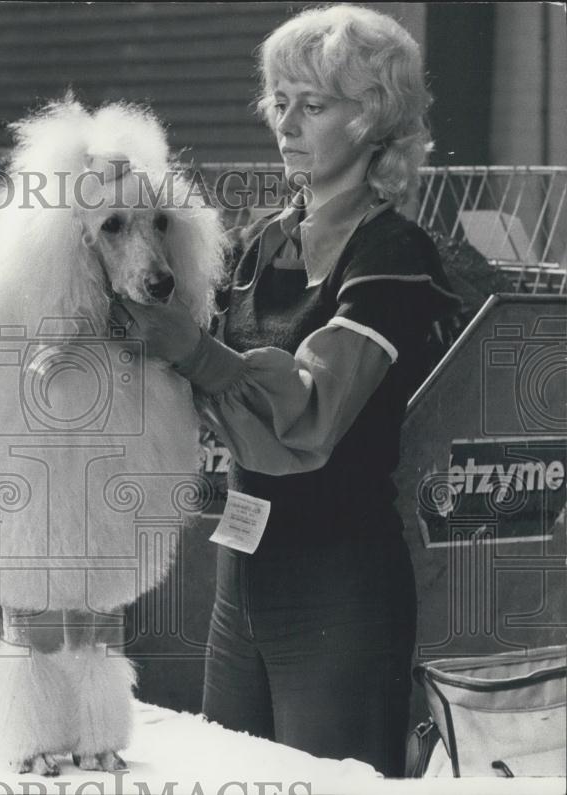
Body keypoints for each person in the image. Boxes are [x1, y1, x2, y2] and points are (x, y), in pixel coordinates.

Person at [112, 5, 460, 776]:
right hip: (243, 579)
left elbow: (310, 415)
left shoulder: (393, 254)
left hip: (338, 586)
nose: (287, 122)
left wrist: (194, 351)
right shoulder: (264, 238)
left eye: (315, 103)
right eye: (279, 101)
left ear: (372, 118)